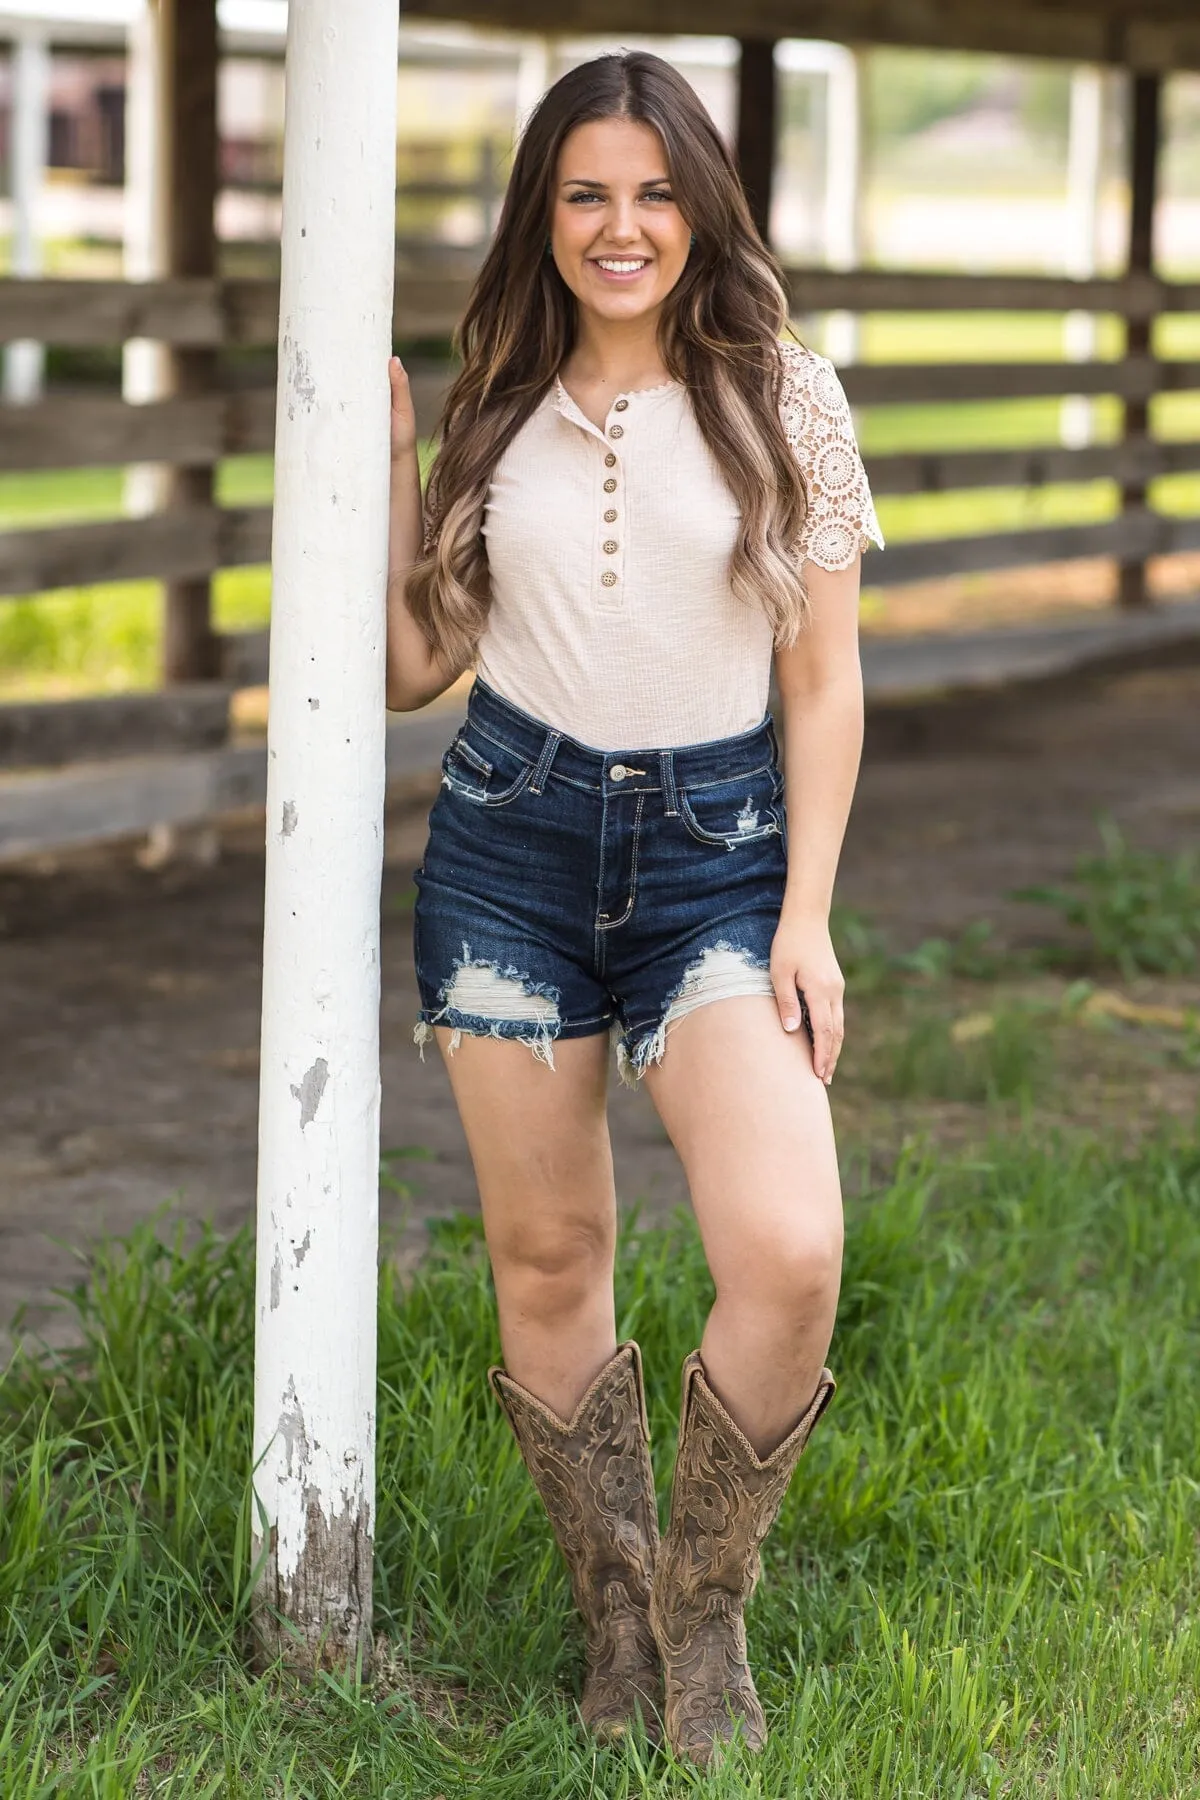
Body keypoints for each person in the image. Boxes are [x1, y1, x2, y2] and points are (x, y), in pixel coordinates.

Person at [383, 49, 882, 1767]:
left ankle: (704, 1610)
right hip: (509, 843)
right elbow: (409, 663)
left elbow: (824, 683)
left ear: (701, 208)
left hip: (719, 860)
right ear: (547, 211)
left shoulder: (782, 395)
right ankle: (612, 1623)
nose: (621, 227)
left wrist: (806, 915)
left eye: (655, 193)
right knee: (550, 1250)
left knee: (791, 1251)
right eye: (587, 193)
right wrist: (388, 465)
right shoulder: (500, 396)